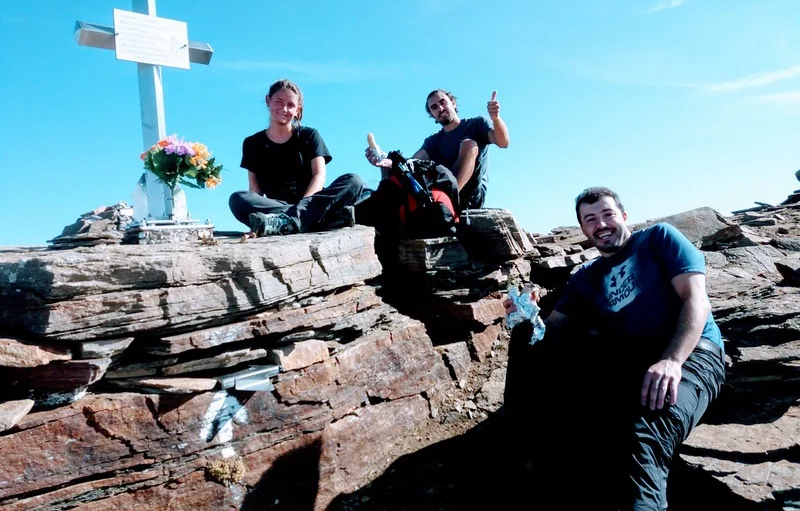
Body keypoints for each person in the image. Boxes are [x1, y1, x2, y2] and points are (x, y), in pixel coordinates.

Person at [503, 187, 725, 510]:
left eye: (607, 214)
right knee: (525, 341)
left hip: (692, 355)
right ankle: (521, 459)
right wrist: (526, 314)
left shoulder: (658, 239)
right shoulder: (585, 279)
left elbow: (697, 300)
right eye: (591, 219)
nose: (601, 224)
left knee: (645, 433)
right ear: (584, 230)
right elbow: (551, 332)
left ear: (623, 216)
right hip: (633, 362)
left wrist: (672, 361)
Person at [229, 79, 364, 236]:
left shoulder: (309, 135)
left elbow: (319, 176)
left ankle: (291, 221)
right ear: (268, 100)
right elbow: (254, 189)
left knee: (355, 181)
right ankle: (321, 220)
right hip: (276, 205)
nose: (284, 109)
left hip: (311, 201)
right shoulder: (252, 143)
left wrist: (303, 207)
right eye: (279, 101)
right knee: (238, 199)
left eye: (291, 105)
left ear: (297, 109)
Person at [365, 89, 510, 210]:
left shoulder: (477, 124)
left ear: (452, 103)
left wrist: (496, 118)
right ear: (432, 114)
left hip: (469, 197)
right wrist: (385, 160)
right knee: (398, 168)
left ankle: (449, 200)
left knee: (469, 144)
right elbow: (411, 163)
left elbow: (503, 142)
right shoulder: (433, 141)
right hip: (439, 194)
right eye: (434, 107)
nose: (440, 108)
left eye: (442, 102)